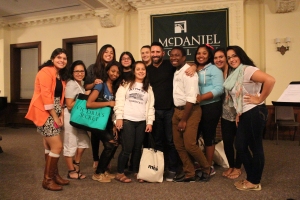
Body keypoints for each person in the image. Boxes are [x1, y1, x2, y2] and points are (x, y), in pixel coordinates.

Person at [224, 45, 275, 191]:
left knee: (255, 147)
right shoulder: (236, 72)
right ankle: (251, 177)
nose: (231, 59)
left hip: (254, 111)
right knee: (239, 146)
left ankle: (254, 181)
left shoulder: (247, 70)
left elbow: (270, 80)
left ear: (241, 55)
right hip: (245, 113)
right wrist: (239, 113)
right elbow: (239, 96)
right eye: (229, 58)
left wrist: (259, 99)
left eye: (234, 56)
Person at [147, 42, 196, 181]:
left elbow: (188, 64)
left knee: (171, 141)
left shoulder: (171, 64)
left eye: (158, 52)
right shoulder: (147, 69)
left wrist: (194, 67)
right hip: (155, 110)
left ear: (163, 53)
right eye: (153, 52)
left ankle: (173, 169)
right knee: (157, 141)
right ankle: (159, 168)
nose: (155, 54)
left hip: (170, 110)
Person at [25, 48, 69, 191]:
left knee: (49, 146)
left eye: (64, 58)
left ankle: (54, 175)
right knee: (57, 146)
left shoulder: (60, 76)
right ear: (52, 59)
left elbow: (60, 98)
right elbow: (46, 96)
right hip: (45, 111)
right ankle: (47, 180)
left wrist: (61, 113)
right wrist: (55, 116)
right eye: (59, 57)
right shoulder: (45, 72)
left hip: (55, 110)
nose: (62, 60)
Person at [170, 46, 211, 182]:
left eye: (177, 55)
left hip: (190, 111)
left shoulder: (189, 73)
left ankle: (206, 168)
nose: (174, 58)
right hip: (177, 110)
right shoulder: (177, 71)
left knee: (190, 145)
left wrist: (184, 120)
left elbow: (191, 98)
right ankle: (189, 172)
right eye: (172, 55)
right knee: (178, 144)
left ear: (183, 58)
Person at [114, 61, 155, 183]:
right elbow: (119, 101)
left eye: (143, 69)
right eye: (138, 69)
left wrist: (150, 122)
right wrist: (119, 117)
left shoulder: (148, 87)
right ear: (134, 71)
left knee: (138, 148)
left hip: (142, 121)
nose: (141, 71)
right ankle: (120, 173)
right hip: (127, 120)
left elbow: (151, 106)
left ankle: (136, 170)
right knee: (127, 148)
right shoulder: (125, 84)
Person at [86, 61, 122, 183]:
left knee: (115, 143)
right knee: (110, 144)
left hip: (107, 122)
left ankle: (104, 170)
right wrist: (108, 103)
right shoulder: (100, 85)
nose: (115, 74)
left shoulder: (116, 87)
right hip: (97, 122)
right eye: (112, 71)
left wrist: (113, 124)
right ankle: (98, 173)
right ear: (107, 71)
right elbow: (89, 103)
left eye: (117, 72)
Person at [84, 44, 116, 171]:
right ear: (101, 53)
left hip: (110, 104)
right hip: (96, 105)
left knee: (109, 132)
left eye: (111, 52)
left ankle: (106, 159)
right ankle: (96, 159)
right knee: (96, 135)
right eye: (106, 52)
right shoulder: (93, 68)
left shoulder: (115, 67)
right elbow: (86, 86)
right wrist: (94, 83)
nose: (109, 54)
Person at [213, 48, 242, 179]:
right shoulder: (218, 72)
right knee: (228, 142)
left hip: (239, 113)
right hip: (225, 113)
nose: (218, 60)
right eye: (215, 58)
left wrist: (239, 112)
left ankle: (238, 167)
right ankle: (231, 166)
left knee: (240, 142)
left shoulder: (235, 71)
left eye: (221, 57)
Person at [195, 44, 224, 175]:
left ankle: (208, 166)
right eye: (198, 53)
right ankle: (198, 162)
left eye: (204, 53)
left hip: (211, 106)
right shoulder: (193, 68)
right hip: (195, 107)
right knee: (194, 135)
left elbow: (219, 89)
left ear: (209, 55)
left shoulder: (214, 69)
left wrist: (201, 97)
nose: (201, 56)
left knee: (208, 136)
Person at [63, 60, 90, 180]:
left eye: (82, 71)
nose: (80, 73)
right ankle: (71, 171)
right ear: (72, 72)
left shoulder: (80, 84)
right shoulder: (71, 84)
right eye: (77, 71)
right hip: (70, 117)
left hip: (79, 117)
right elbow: (69, 104)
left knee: (84, 141)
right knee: (70, 143)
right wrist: (85, 98)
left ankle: (76, 162)